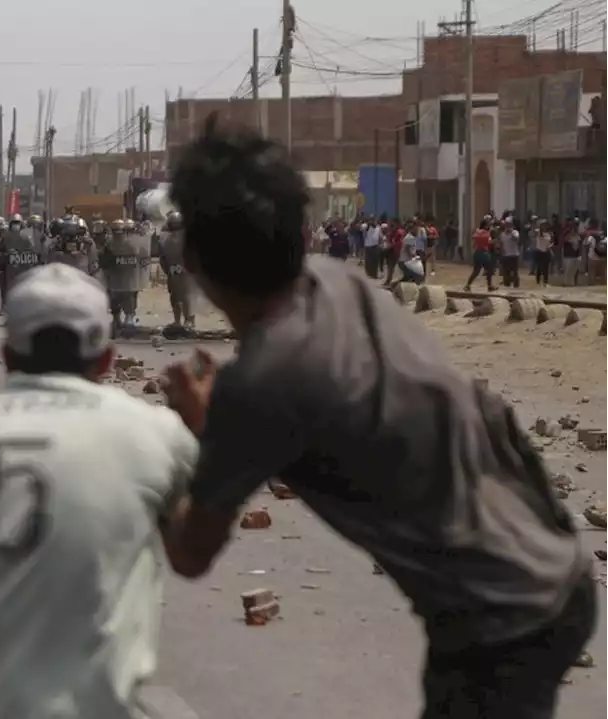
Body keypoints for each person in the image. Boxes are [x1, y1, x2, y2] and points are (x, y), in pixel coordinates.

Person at [161, 117, 595, 719]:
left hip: (499, 622)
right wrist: (221, 429)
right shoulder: (338, 283)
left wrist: (144, 460)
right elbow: (322, 425)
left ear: (197, 262)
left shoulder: (259, 385)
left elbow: (189, 553)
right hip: (554, 573)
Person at [0, 262, 199, 719]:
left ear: (7, 354)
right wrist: (208, 438)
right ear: (106, 358)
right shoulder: (151, 428)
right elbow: (192, 551)